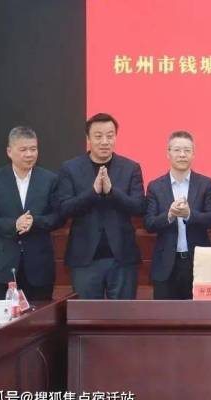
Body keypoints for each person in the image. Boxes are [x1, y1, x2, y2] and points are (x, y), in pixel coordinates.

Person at [57, 113, 145, 299]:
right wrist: (93, 192)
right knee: (86, 315)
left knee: (123, 314)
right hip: (84, 258)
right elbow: (64, 209)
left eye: (110, 136)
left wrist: (112, 192)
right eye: (98, 136)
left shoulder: (131, 168)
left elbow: (139, 207)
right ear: (88, 138)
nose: (105, 141)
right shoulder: (70, 168)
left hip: (122, 258)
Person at [0, 126, 62, 300]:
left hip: (40, 267)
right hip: (5, 268)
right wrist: (14, 224)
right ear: (9, 151)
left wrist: (34, 222)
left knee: (41, 315)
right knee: (6, 316)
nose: (29, 154)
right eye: (23, 150)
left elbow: (59, 217)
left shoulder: (50, 180)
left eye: (33, 149)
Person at [144, 131, 211, 300]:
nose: (182, 154)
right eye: (177, 150)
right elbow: (149, 223)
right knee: (164, 314)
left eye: (187, 150)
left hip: (197, 262)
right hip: (165, 264)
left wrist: (190, 214)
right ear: (168, 153)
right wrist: (169, 215)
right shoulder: (155, 186)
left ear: (193, 154)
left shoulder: (206, 184)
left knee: (198, 313)